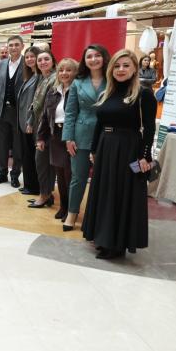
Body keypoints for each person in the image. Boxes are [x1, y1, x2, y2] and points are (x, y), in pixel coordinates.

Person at [82, 49, 157, 258]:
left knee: (121, 194)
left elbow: (149, 128)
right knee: (105, 192)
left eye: (125, 65)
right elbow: (100, 123)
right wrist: (94, 149)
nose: (120, 69)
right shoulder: (107, 92)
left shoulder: (143, 94)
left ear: (134, 68)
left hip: (128, 149)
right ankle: (102, 237)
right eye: (116, 66)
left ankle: (116, 245)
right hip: (105, 147)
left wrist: (145, 156)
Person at [62, 44, 110, 231]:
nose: (93, 59)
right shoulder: (78, 82)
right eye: (89, 56)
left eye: (97, 55)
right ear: (84, 60)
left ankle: (97, 215)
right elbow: (70, 113)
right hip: (80, 136)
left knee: (103, 179)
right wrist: (68, 138)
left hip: (106, 135)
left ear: (104, 58)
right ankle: (72, 213)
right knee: (78, 177)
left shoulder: (112, 79)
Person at [37, 58, 78, 221]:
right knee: (60, 175)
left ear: (75, 72)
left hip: (71, 137)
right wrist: (41, 137)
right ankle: (63, 206)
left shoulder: (77, 91)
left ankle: (71, 209)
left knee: (69, 175)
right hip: (56, 136)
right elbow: (45, 117)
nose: (64, 73)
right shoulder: (53, 91)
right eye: (61, 70)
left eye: (68, 70)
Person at [0, 35, 25, 187]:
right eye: (11, 45)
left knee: (18, 146)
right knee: (2, 145)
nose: (13, 48)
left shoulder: (28, 64)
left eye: (16, 45)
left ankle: (15, 174)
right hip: (2, 111)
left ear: (22, 46)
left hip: (19, 113)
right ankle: (2, 173)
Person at [27, 49, 58, 209]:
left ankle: (44, 195)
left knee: (42, 162)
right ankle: (47, 194)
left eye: (46, 59)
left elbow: (49, 107)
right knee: (45, 162)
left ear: (53, 61)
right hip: (40, 125)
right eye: (40, 60)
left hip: (47, 128)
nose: (42, 62)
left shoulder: (54, 79)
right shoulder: (43, 78)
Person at [16, 47, 41, 195]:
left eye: (33, 56)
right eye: (27, 57)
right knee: (27, 155)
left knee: (31, 155)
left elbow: (36, 103)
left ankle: (33, 187)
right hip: (23, 121)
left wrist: (30, 121)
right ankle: (28, 184)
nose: (30, 59)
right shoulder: (30, 76)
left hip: (31, 123)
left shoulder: (40, 77)